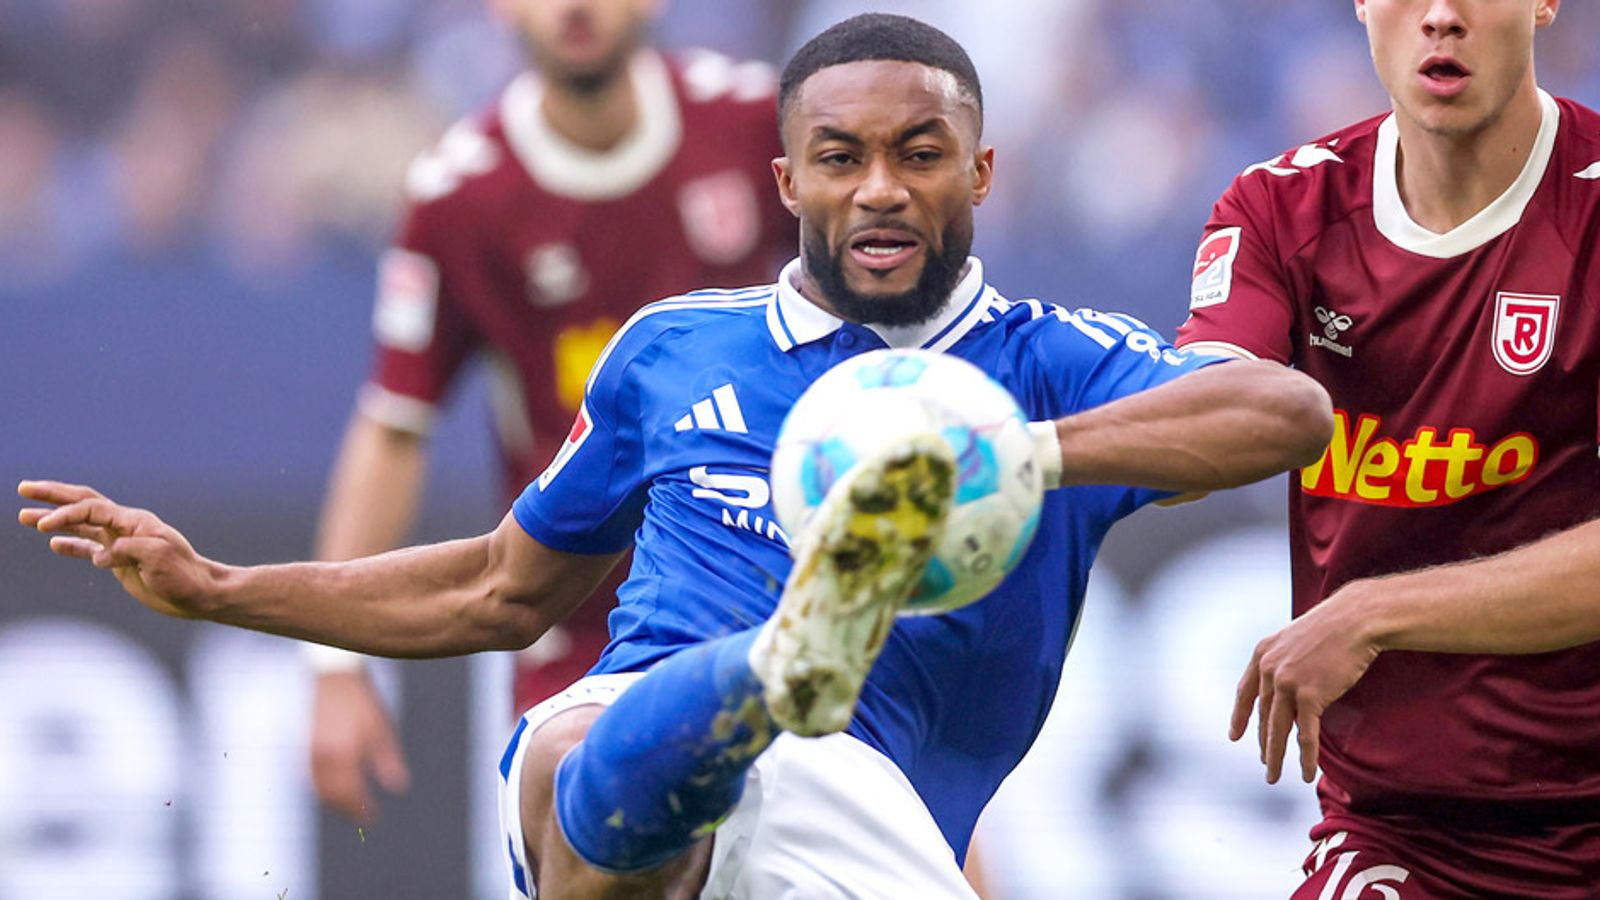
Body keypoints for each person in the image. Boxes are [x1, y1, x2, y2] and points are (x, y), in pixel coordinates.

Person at [19, 14, 1333, 899]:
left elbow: (1281, 413)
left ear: (981, 173)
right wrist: (225, 589)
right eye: (840, 158)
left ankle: (773, 686)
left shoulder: (1048, 362)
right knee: (575, 769)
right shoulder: (675, 349)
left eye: (919, 154)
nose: (879, 186)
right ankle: (768, 669)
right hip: (640, 749)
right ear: (788, 184)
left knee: (768, 784)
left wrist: (1008, 455)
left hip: (863, 818)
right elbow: (499, 589)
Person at [306, 0, 793, 826]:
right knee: (590, 847)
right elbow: (394, 425)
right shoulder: (460, 196)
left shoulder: (755, 122)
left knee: (924, 853)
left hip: (778, 589)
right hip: (584, 630)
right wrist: (335, 669)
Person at [1176, 0, 1600, 896]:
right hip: (1401, 831)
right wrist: (1036, 456)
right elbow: (1201, 417)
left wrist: (1373, 613)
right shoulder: (1281, 207)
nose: (1441, 16)